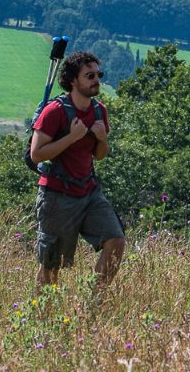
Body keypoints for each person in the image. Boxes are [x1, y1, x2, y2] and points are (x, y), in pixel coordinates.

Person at [28, 50, 125, 289]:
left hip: (88, 191)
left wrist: (102, 139)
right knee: (52, 264)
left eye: (98, 74)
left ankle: (93, 304)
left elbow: (100, 156)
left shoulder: (100, 111)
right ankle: (43, 317)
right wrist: (72, 137)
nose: (96, 80)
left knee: (116, 241)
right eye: (89, 75)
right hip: (57, 195)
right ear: (73, 80)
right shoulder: (55, 111)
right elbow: (37, 154)